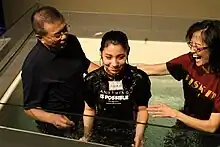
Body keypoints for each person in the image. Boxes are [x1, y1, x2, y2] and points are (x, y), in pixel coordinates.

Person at [138, 20, 220, 146]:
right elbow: (154, 69)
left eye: (197, 47)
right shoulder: (189, 61)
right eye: (191, 45)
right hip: (186, 120)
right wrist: (112, 68)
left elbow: (212, 126)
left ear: (215, 49)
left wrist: (174, 113)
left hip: (211, 134)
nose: (193, 51)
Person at [21, 6, 99, 138]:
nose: (64, 36)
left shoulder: (72, 41)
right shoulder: (33, 65)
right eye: (57, 35)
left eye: (64, 29)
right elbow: (29, 108)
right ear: (40, 37)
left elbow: (85, 65)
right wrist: (52, 118)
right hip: (56, 124)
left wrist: (115, 73)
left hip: (83, 110)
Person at [79, 30, 151, 147]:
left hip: (129, 134)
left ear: (127, 53)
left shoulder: (138, 78)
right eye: (108, 57)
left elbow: (142, 110)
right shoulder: (92, 79)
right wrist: (86, 136)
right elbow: (89, 110)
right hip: (100, 134)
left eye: (120, 57)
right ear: (101, 53)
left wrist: (139, 136)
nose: (114, 63)